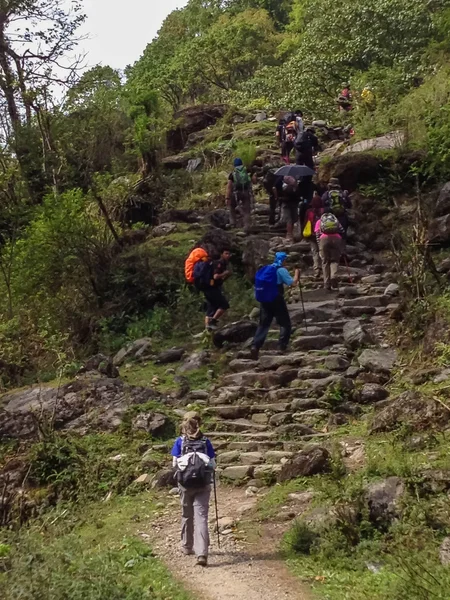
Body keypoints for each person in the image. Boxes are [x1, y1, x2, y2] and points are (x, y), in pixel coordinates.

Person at [171, 412, 216, 568]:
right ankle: (202, 553)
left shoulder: (180, 442)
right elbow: (212, 464)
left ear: (184, 425)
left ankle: (187, 546)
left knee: (187, 515)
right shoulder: (206, 441)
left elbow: (174, 464)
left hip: (185, 484)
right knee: (201, 517)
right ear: (199, 424)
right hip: (203, 485)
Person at [250, 252, 299, 359]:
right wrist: (297, 273)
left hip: (264, 299)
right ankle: (282, 346)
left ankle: (255, 346)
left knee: (263, 324)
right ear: (283, 260)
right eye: (286, 259)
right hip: (276, 298)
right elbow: (293, 283)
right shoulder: (281, 270)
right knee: (285, 323)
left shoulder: (266, 268)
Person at [315, 212, 345, 290]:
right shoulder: (335, 220)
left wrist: (319, 245)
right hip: (336, 238)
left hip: (324, 239)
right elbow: (342, 230)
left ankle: (327, 283)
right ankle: (333, 276)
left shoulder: (319, 221)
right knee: (334, 260)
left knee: (325, 262)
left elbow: (317, 234)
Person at [203, 248, 232, 331]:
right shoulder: (219, 263)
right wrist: (225, 273)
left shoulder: (222, 264)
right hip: (212, 288)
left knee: (211, 308)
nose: (228, 256)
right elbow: (215, 277)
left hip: (208, 287)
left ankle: (207, 330)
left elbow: (220, 280)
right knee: (224, 305)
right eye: (226, 253)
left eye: (229, 254)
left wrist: (226, 276)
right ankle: (212, 322)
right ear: (221, 254)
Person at [302, 191, 324, 279]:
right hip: (322, 234)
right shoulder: (324, 211)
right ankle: (324, 268)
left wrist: (304, 235)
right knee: (322, 251)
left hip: (312, 234)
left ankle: (316, 269)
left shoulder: (309, 211)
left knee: (315, 252)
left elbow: (305, 223)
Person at [295, 127, 319, 205]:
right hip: (307, 154)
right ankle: (307, 183)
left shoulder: (299, 135)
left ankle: (299, 181)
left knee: (298, 168)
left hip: (298, 155)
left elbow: (294, 143)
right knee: (309, 169)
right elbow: (316, 145)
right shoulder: (311, 136)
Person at [226, 158, 252, 231]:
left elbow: (229, 187)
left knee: (231, 206)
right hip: (246, 192)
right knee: (247, 210)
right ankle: (246, 226)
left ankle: (232, 223)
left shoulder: (233, 173)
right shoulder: (246, 171)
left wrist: (227, 198)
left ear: (234, 165)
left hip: (236, 193)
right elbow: (253, 180)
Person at [273, 176, 301, 241]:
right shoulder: (296, 187)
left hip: (286, 204)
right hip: (294, 204)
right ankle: (291, 234)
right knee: (293, 219)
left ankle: (289, 235)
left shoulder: (285, 187)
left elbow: (275, 188)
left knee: (289, 220)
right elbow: (298, 195)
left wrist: (277, 197)